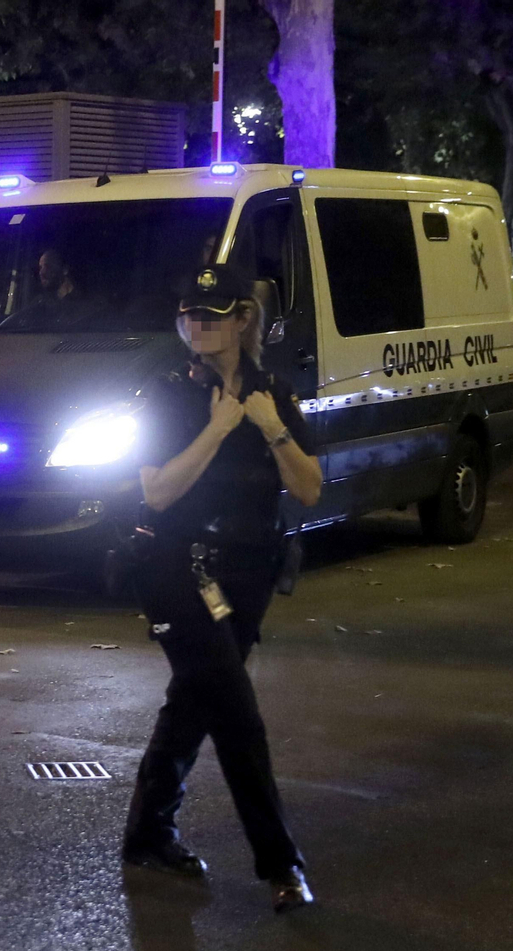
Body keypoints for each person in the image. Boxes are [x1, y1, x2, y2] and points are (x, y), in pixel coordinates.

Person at [121, 262, 323, 913]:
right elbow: (156, 491)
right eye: (189, 314)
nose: (198, 324)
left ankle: (148, 833)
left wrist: (268, 425)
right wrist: (216, 429)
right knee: (236, 712)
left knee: (196, 700)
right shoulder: (165, 394)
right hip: (176, 569)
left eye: (213, 314)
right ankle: (282, 866)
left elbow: (310, 487)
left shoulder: (274, 393)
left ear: (243, 319)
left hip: (248, 571)